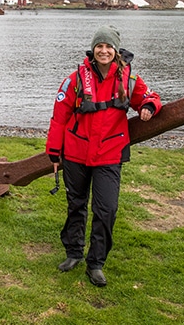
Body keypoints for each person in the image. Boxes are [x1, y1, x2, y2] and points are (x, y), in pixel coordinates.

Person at [46, 25, 162, 287]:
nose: (104, 50)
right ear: (93, 49)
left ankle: (96, 262)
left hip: (109, 153)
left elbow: (150, 97)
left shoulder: (129, 80)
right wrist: (54, 152)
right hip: (76, 153)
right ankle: (73, 253)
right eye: (100, 46)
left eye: (109, 46)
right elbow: (59, 117)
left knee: (106, 209)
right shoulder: (75, 80)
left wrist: (149, 106)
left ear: (116, 50)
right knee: (76, 204)